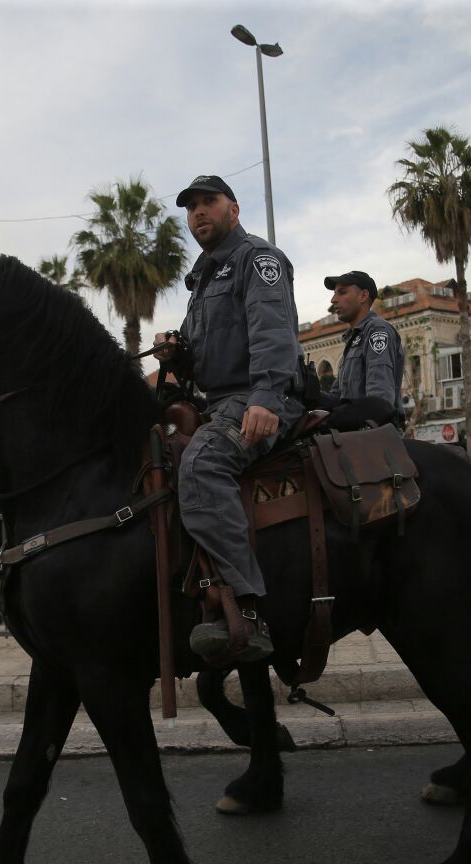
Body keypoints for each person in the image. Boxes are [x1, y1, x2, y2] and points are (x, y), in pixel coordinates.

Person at [154, 174, 305, 663]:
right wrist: (177, 357)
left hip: (257, 400)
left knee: (202, 465)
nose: (199, 212)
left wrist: (265, 396)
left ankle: (245, 607)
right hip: (217, 401)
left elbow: (272, 331)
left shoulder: (256, 259)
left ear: (233, 210)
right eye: (191, 207)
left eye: (208, 202)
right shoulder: (202, 278)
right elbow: (205, 360)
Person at [318, 270, 404, 429]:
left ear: (363, 296)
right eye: (334, 294)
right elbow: (338, 399)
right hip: (353, 438)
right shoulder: (354, 339)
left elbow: (380, 402)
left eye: (342, 293)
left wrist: (332, 420)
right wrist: (310, 394)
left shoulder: (377, 331)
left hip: (375, 439)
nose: (333, 299)